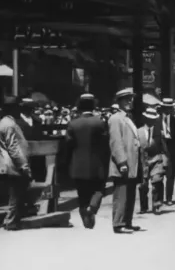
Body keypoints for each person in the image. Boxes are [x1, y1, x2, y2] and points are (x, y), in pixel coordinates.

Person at [65, 93, 109, 229]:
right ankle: (93, 207)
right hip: (97, 165)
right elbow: (105, 146)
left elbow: (68, 147)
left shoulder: (73, 124)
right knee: (99, 189)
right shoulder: (100, 123)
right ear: (93, 106)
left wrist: (67, 164)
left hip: (78, 166)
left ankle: (85, 212)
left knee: (82, 193)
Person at [108, 88, 142, 234]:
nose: (130, 102)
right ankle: (118, 223)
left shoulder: (127, 118)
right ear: (119, 102)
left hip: (132, 162)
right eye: (126, 99)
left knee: (130, 194)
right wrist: (121, 162)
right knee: (121, 194)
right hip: (123, 163)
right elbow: (116, 142)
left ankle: (127, 221)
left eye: (131, 99)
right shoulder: (116, 119)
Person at [0, 96, 32, 230]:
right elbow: (13, 147)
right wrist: (23, 165)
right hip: (12, 164)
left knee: (15, 193)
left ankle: (13, 218)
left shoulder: (5, 122)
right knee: (16, 193)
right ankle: (11, 221)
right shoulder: (9, 124)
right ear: (12, 108)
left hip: (8, 162)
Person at [137, 107, 165, 214]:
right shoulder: (138, 132)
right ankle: (144, 207)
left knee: (157, 181)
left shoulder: (159, 132)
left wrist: (165, 160)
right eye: (149, 118)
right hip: (142, 161)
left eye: (153, 119)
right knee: (143, 186)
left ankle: (157, 204)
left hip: (156, 160)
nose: (151, 121)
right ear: (145, 118)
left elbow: (164, 147)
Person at [159, 98, 175, 205]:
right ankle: (158, 199)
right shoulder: (156, 120)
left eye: (170, 108)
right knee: (158, 177)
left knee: (170, 177)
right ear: (162, 108)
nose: (168, 110)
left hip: (172, 152)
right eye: (166, 108)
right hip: (159, 152)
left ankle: (169, 198)